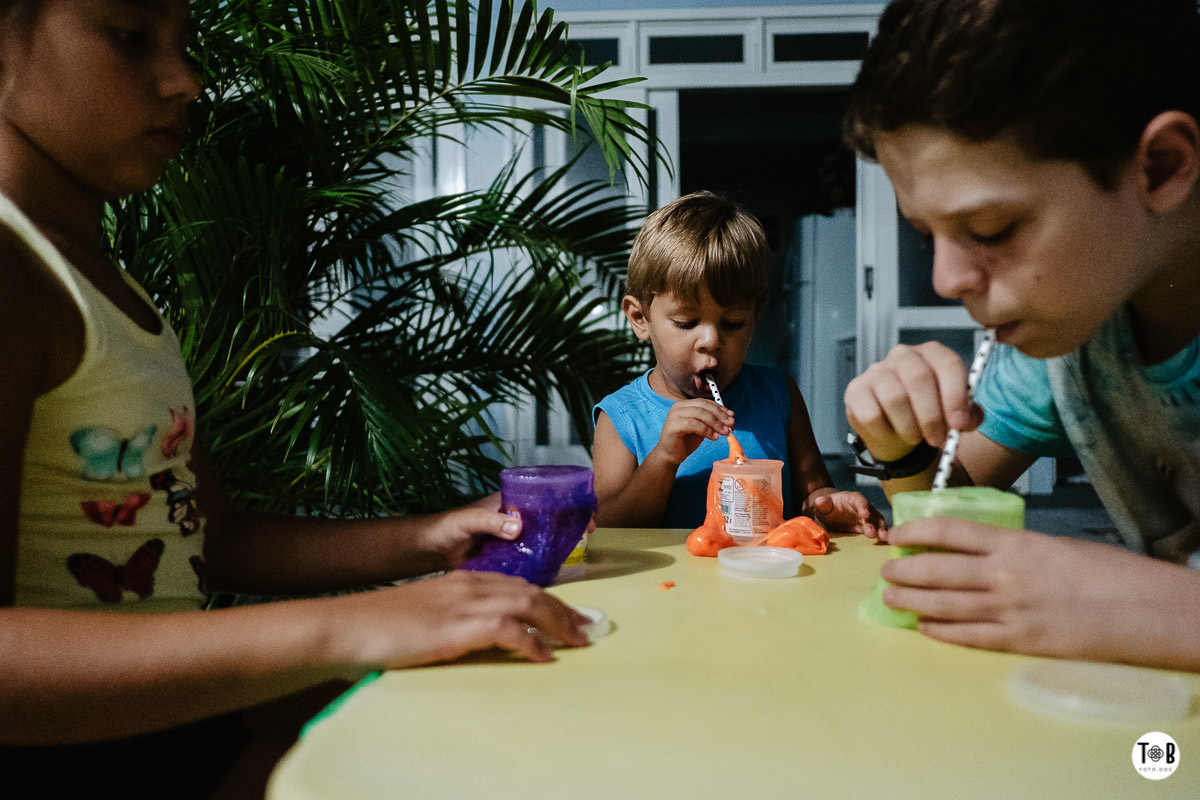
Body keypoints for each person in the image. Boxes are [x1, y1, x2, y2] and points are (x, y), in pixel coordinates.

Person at [0, 1, 588, 795]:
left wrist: (427, 540)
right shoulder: (12, 271)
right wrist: (356, 625)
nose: (186, 80)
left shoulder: (108, 286)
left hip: (164, 727)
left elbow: (218, 537)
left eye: (185, 45)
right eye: (131, 37)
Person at [842, 0, 1200, 672]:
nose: (946, 278)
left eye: (990, 230)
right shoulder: (1080, 333)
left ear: (1161, 167)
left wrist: (1159, 608)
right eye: (928, 236)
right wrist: (898, 445)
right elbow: (954, 503)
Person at [592, 191, 885, 536]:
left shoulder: (779, 395)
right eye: (686, 322)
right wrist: (663, 459)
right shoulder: (622, 417)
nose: (711, 340)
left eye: (733, 323)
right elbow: (610, 528)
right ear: (640, 318)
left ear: (755, 317)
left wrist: (831, 507)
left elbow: (814, 494)